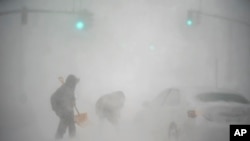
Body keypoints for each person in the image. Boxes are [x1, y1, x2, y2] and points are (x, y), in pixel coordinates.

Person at [50, 74, 80, 140]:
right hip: (65, 112)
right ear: (71, 82)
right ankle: (59, 139)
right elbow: (53, 98)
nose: (75, 85)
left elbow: (70, 99)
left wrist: (73, 100)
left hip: (68, 111)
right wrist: (57, 110)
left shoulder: (70, 88)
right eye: (75, 83)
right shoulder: (64, 89)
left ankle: (72, 139)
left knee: (70, 127)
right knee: (64, 127)